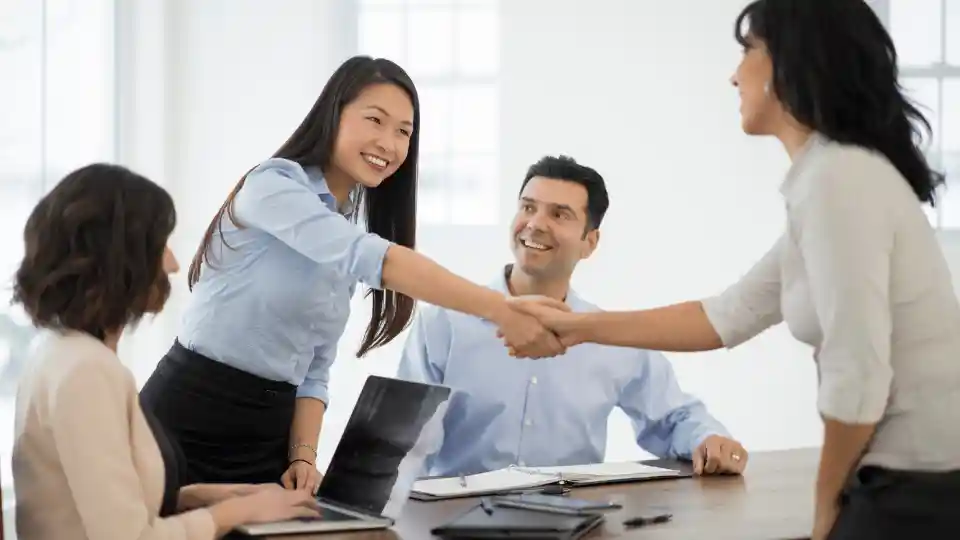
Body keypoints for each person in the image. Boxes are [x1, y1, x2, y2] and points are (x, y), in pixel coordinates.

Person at [508, 1, 960, 539]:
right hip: (908, 479)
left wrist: (825, 509)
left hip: (916, 486)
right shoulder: (828, 179)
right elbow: (728, 315)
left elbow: (858, 373)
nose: (733, 73)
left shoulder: (839, 182)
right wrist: (577, 327)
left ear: (790, 63)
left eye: (748, 52)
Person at [139, 55, 564, 494]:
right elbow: (374, 259)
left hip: (269, 436)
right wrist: (502, 308)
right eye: (375, 120)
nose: (390, 142)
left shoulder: (344, 230)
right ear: (333, 114)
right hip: (188, 416)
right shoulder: (273, 186)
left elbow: (314, 370)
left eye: (404, 131)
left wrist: (303, 456)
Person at [11, 163, 323, 540]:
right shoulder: (86, 371)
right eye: (160, 246)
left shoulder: (57, 349)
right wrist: (235, 512)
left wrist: (200, 497)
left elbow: (96, 502)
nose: (173, 264)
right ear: (118, 259)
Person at [397, 155, 746, 477]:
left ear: (589, 243)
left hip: (572, 518)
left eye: (559, 214)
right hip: (455, 523)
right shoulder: (443, 324)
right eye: (528, 207)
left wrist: (709, 439)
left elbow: (673, 418)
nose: (534, 224)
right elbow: (402, 443)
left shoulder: (611, 337)